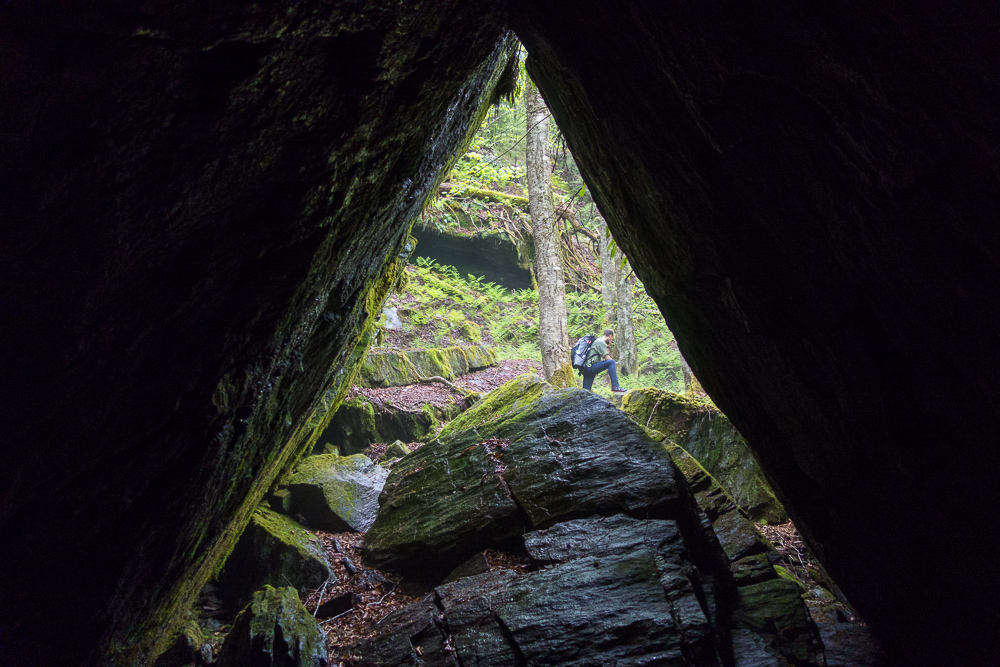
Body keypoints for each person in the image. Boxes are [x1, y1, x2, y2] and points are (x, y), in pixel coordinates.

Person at [581, 329, 627, 394]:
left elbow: (605, 356)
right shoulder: (600, 342)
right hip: (591, 367)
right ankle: (615, 386)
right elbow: (607, 359)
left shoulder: (598, 341)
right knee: (612, 362)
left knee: (586, 391)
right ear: (610, 336)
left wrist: (607, 346)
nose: (611, 340)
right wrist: (613, 363)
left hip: (586, 368)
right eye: (612, 338)